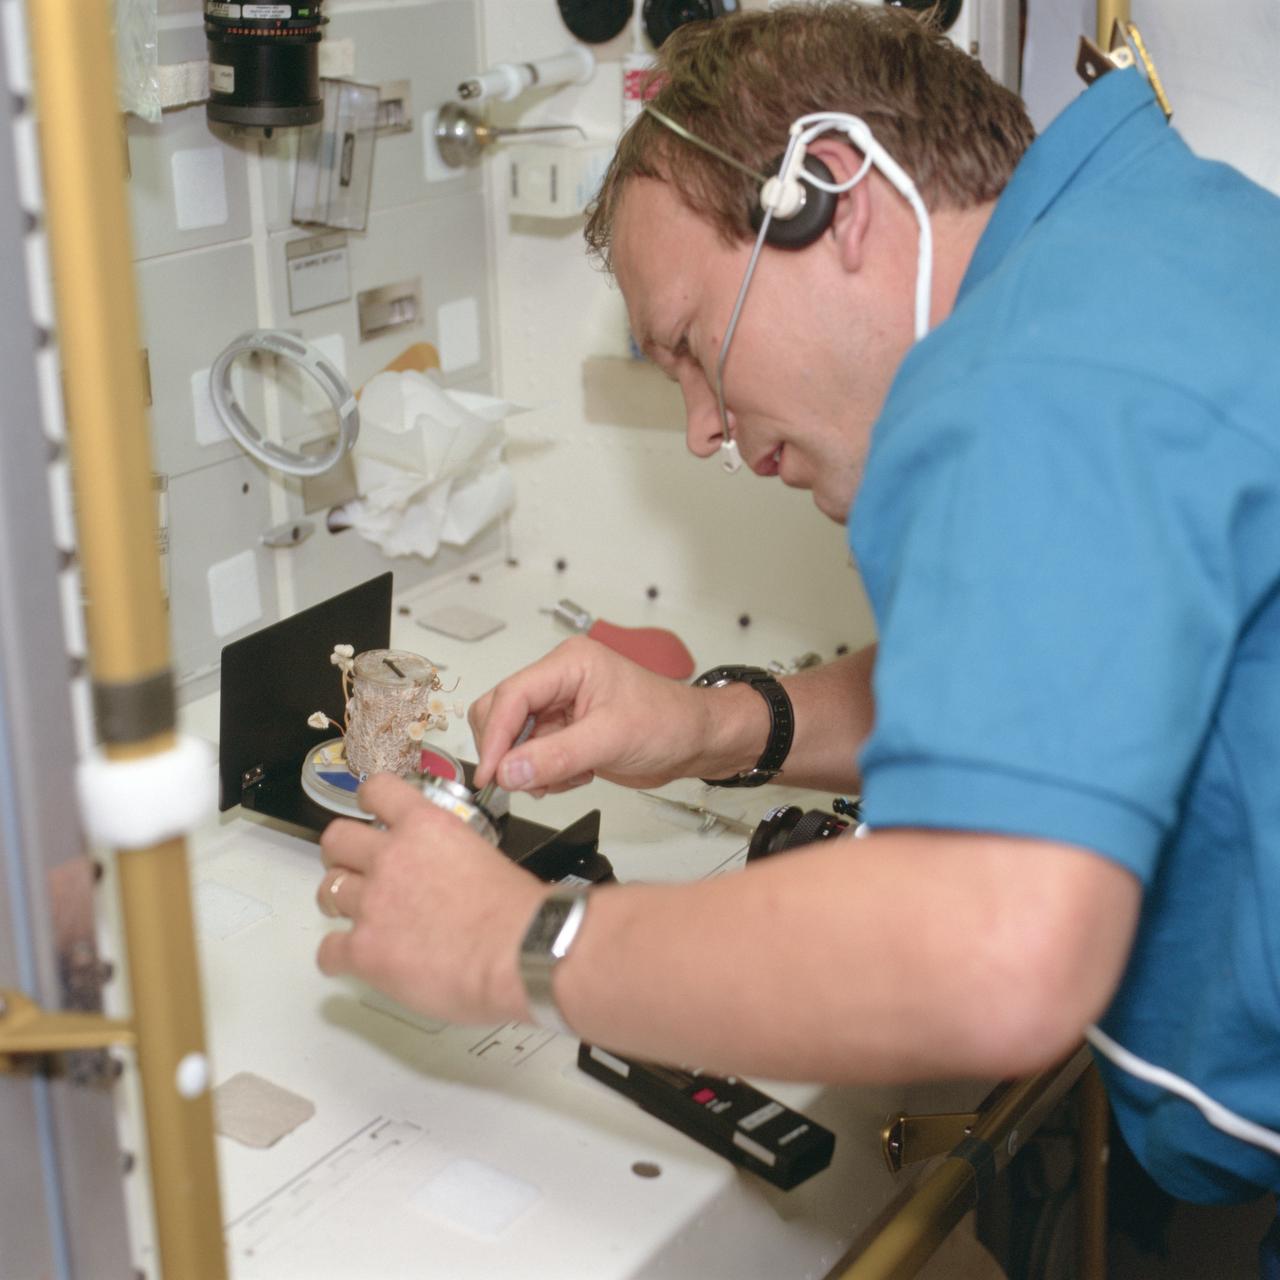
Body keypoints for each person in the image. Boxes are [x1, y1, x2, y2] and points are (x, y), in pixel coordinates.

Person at [315, 0, 1280, 1232]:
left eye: (692, 348)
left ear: (826, 192)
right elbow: (1057, 675)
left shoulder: (1014, 385)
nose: (706, 430)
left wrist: (513, 938)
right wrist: (717, 724)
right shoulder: (1130, 253)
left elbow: (989, 952)